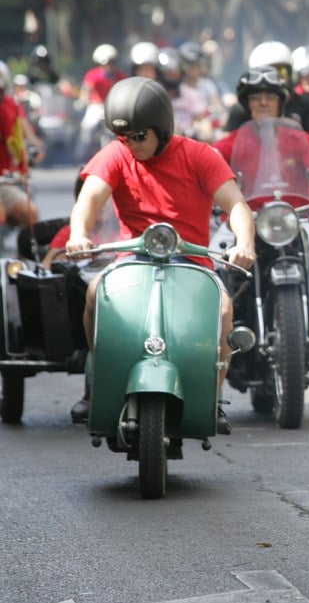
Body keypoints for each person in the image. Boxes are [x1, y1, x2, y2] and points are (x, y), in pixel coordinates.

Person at [64, 77, 256, 433]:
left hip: (192, 261)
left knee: (225, 310)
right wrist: (78, 233)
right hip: (133, 259)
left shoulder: (199, 155)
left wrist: (245, 242)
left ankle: (212, 399)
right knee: (94, 294)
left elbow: (237, 205)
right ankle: (96, 380)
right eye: (124, 136)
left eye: (139, 136)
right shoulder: (117, 154)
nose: (131, 144)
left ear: (161, 129)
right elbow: (88, 199)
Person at [213, 66, 309, 347]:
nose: (263, 102)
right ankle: (215, 330)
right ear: (247, 103)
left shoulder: (298, 137)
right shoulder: (232, 141)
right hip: (246, 220)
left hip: (295, 219)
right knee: (216, 265)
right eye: (255, 97)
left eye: (269, 96)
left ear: (281, 101)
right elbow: (209, 168)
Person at [224, 41, 309, 159]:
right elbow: (226, 145)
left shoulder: (305, 104)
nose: (263, 103)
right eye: (256, 99)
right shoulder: (240, 109)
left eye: (282, 71)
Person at [0, 61, 44, 229]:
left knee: (30, 213)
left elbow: (22, 132)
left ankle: (25, 255)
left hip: (5, 181)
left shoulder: (11, 106)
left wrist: (35, 147)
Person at [76, 44, 127, 162]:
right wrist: (83, 100)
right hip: (97, 106)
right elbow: (86, 89)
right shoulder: (93, 74)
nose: (109, 67)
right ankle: (82, 152)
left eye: (111, 63)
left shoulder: (120, 75)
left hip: (114, 107)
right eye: (105, 64)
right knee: (88, 126)